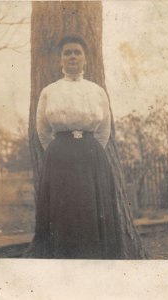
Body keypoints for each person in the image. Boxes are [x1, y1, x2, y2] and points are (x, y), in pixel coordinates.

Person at [32, 35, 121, 259]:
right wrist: (59, 150)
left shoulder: (97, 91)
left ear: (85, 59)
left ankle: (95, 258)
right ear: (60, 60)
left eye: (77, 52)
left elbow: (104, 130)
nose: (72, 56)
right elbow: (42, 130)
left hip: (91, 157)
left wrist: (87, 149)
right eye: (67, 52)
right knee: (63, 209)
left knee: (91, 208)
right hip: (60, 157)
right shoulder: (49, 91)